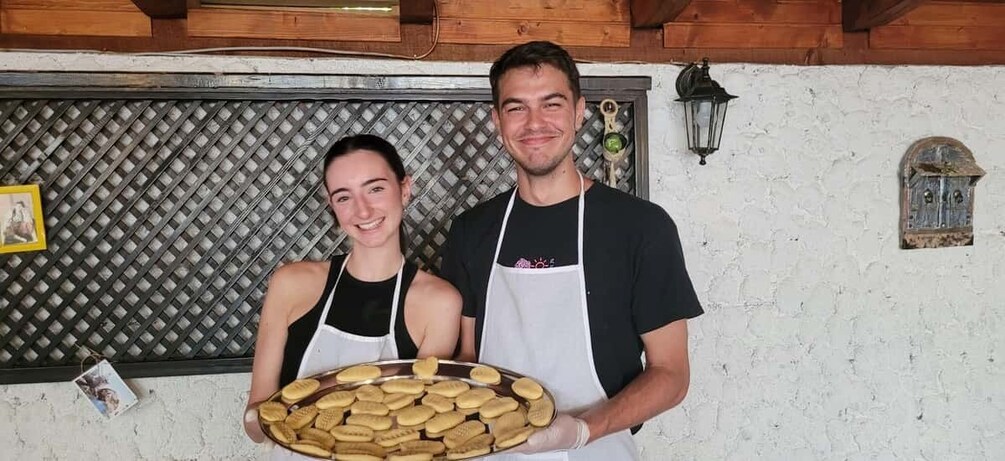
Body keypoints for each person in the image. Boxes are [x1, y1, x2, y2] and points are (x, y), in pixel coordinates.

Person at [440, 41, 704, 460]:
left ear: (579, 111)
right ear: (496, 120)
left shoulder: (641, 228)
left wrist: (581, 429)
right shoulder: (471, 231)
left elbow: (671, 373)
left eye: (552, 104)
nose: (534, 123)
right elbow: (468, 355)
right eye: (516, 108)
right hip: (490, 450)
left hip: (597, 449)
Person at [243, 134, 462, 459]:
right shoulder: (291, 284)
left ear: (405, 188)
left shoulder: (439, 303)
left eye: (375, 189)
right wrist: (258, 419)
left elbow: (419, 430)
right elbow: (257, 417)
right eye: (344, 197)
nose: (362, 210)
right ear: (331, 203)